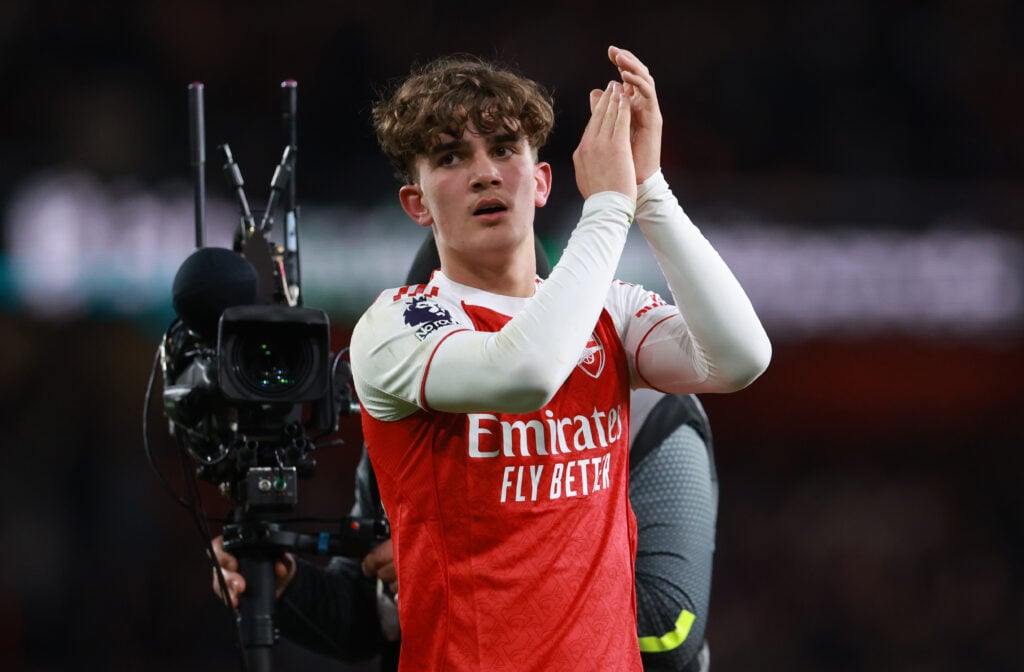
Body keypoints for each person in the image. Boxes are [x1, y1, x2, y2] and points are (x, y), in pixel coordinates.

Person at [347, 45, 769, 671]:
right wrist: (604, 209)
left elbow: (741, 358)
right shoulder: (397, 323)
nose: (485, 173)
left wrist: (648, 191)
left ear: (540, 182)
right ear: (418, 204)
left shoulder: (610, 309)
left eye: (504, 149)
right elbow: (527, 374)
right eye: (450, 157)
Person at [213, 238, 722, 672]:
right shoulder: (412, 415)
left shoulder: (653, 411)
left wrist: (443, 574)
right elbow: (374, 619)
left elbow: (672, 630)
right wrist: (285, 588)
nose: (448, 365)